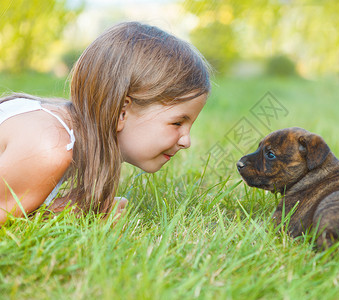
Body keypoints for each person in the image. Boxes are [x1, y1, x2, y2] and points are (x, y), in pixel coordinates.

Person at [0, 21, 211, 225]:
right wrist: (68, 213)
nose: (186, 141)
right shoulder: (48, 147)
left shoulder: (68, 135)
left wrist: (70, 209)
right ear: (122, 111)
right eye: (177, 123)